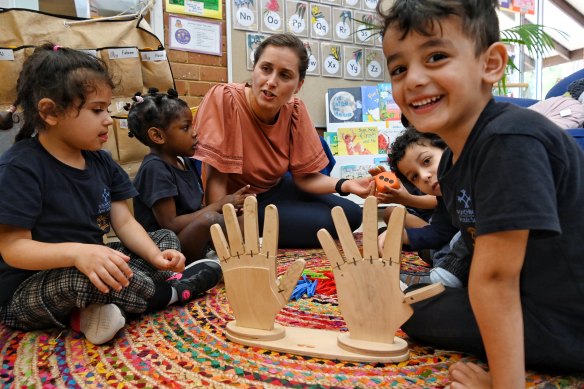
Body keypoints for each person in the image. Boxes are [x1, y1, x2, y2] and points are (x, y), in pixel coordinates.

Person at [379, 0, 584, 387]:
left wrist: (502, 383)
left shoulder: (509, 140)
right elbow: (471, 245)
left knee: (421, 308)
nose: (414, 80)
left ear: (490, 65)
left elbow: (494, 279)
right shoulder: (453, 162)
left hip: (569, 319)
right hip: (537, 300)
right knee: (412, 308)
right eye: (399, 68)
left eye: (436, 56)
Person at [0, 44, 221, 346]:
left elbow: (126, 223)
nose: (108, 119)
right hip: (30, 290)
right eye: (96, 110)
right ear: (51, 112)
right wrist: (77, 253)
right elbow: (13, 247)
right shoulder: (20, 167)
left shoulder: (100, 160)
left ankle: (97, 314)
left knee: (164, 237)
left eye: (107, 108)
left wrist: (156, 257)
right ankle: (169, 293)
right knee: (87, 277)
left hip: (92, 270)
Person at [193, 33, 373, 248]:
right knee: (326, 222)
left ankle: (267, 228)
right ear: (255, 69)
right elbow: (216, 179)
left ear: (298, 85)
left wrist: (348, 184)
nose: (271, 82)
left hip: (277, 189)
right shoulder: (226, 99)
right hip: (242, 202)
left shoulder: (295, 110)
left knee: (353, 214)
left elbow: (305, 178)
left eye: (285, 75)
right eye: (266, 69)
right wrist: (223, 229)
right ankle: (248, 228)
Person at [127, 88, 251, 264]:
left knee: (240, 216)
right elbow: (170, 224)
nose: (194, 132)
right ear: (157, 135)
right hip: (166, 249)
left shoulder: (185, 162)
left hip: (188, 238)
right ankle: (230, 262)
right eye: (186, 127)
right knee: (210, 219)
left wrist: (227, 208)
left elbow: (194, 209)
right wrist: (218, 205)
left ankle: (237, 258)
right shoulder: (155, 169)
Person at [374, 128, 470, 288]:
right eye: (414, 177)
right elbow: (440, 231)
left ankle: (446, 275)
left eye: (427, 161)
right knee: (445, 245)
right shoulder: (445, 194)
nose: (424, 176)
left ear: (449, 148)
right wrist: (401, 235)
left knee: (461, 236)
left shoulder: (474, 177)